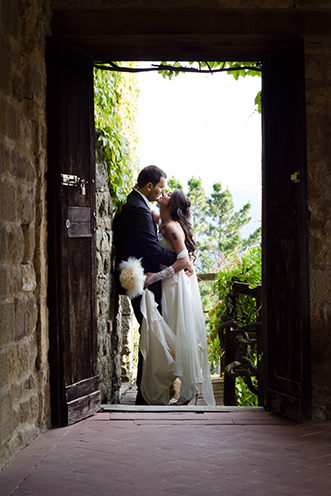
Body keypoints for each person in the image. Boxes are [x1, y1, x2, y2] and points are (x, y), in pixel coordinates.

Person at [141, 189, 215, 406]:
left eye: (168, 193)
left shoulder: (172, 227)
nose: (163, 192)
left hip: (174, 286)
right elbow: (148, 208)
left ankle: (187, 391)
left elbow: (183, 261)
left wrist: (155, 277)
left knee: (176, 333)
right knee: (172, 333)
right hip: (169, 284)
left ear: (172, 205)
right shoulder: (161, 220)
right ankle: (179, 389)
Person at [113, 165, 178, 404]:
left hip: (142, 276)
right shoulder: (138, 210)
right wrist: (180, 260)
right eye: (161, 187)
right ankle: (146, 394)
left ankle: (148, 391)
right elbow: (152, 250)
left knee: (150, 333)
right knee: (150, 334)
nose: (163, 192)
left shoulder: (137, 204)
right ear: (149, 186)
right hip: (144, 279)